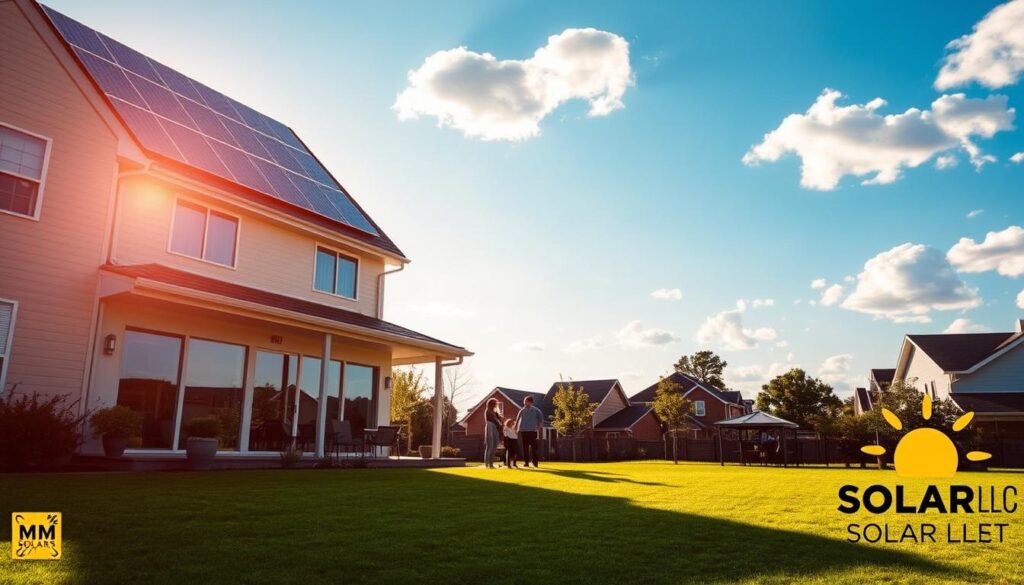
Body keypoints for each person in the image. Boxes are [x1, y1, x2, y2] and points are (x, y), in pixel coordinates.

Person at [515, 395, 544, 468]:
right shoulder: (522, 410)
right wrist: (516, 428)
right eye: (524, 402)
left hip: (532, 431)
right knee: (525, 447)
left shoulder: (536, 410)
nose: (524, 403)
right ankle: (526, 462)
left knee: (534, 447)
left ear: (531, 402)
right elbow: (517, 419)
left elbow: (541, 419)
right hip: (523, 431)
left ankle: (535, 462)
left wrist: (539, 427)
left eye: (526, 402)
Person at [483, 398, 502, 468]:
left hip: (495, 428)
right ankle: (487, 464)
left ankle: (491, 464)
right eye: (495, 403)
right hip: (490, 427)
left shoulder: (494, 412)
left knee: (494, 446)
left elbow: (499, 421)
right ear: (492, 404)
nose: (496, 405)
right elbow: (494, 420)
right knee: (489, 446)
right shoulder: (488, 411)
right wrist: (498, 421)